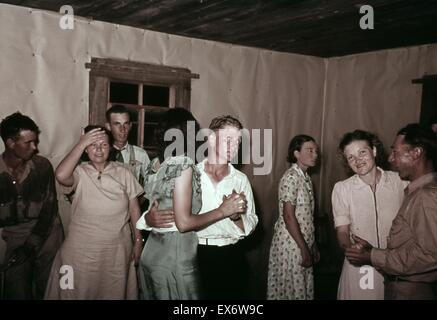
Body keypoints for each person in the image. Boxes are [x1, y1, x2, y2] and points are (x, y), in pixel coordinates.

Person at [136, 109, 246, 300]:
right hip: (176, 256)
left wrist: (147, 218)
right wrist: (223, 210)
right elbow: (184, 223)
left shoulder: (155, 164)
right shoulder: (184, 165)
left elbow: (154, 206)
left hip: (152, 252)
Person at [44, 125, 144, 299]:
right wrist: (81, 143)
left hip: (116, 254)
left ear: (111, 147)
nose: (98, 149)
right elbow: (60, 175)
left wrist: (138, 241)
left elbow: (134, 209)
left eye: (103, 145)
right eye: (93, 145)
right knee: (73, 292)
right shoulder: (79, 172)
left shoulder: (124, 173)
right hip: (80, 254)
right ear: (85, 149)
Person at [346, 124, 437, 300]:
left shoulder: (426, 196)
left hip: (412, 292)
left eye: (395, 152)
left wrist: (372, 256)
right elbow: (410, 244)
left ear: (416, 153)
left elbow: (430, 254)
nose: (390, 158)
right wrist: (372, 250)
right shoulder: (416, 192)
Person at [331, 130, 406, 300]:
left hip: (396, 265)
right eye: (350, 157)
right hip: (361, 268)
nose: (357, 160)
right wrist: (350, 249)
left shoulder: (400, 181)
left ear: (374, 151)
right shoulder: (342, 189)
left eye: (362, 152)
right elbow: (342, 231)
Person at [0, 112, 64, 299]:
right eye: (29, 142)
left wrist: (30, 245)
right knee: (16, 291)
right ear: (11, 143)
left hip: (49, 236)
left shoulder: (43, 166)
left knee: (53, 290)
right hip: (16, 239)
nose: (35, 147)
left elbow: (49, 209)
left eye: (35, 141)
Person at [267, 135, 320, 300]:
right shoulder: (290, 177)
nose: (315, 155)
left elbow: (308, 217)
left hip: (303, 242)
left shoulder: (306, 179)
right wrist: (304, 248)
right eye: (309, 150)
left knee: (301, 290)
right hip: (291, 244)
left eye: (316, 151)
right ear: (296, 153)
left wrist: (313, 245)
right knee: (291, 291)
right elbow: (289, 217)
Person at [105, 104, 150, 185]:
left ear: (130, 126)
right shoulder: (101, 154)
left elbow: (152, 184)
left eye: (126, 124)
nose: (123, 129)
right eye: (117, 124)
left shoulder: (140, 154)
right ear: (108, 126)